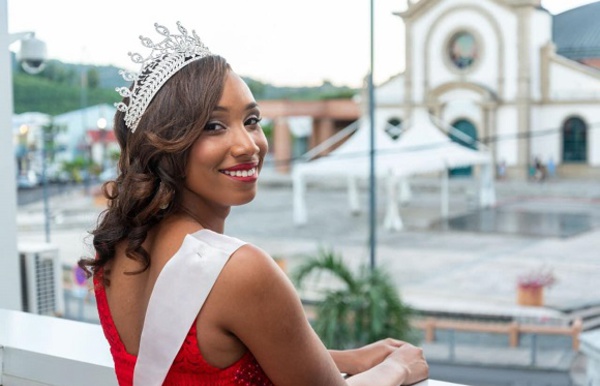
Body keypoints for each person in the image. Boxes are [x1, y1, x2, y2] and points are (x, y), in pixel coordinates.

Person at [79, 22, 428, 386]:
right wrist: (397, 368)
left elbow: (196, 361)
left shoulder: (120, 251)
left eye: (251, 120)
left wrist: (345, 359)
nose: (249, 145)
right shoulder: (239, 270)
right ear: (167, 142)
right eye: (213, 126)